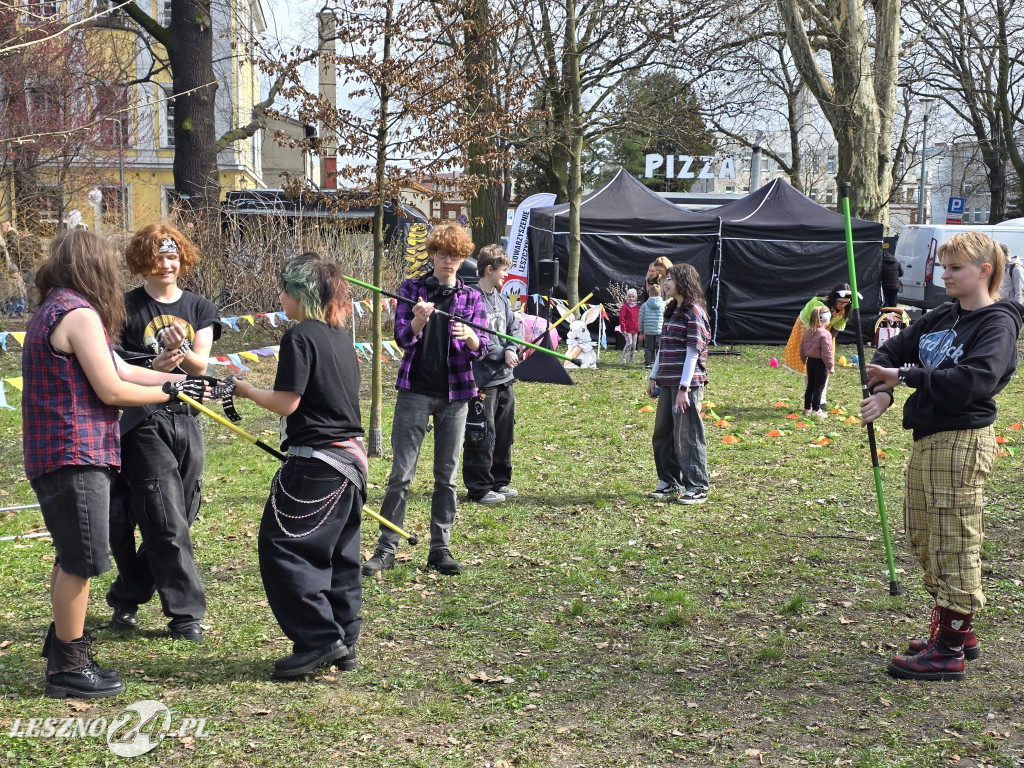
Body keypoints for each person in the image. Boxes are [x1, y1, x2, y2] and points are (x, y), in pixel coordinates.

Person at [22, 229, 207, 698]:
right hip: (74, 451)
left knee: (71, 557)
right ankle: (69, 665)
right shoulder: (79, 314)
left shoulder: (57, 307)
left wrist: (184, 382)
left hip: (61, 452)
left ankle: (63, 645)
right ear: (92, 267)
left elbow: (124, 369)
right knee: (81, 561)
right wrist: (171, 389)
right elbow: (111, 389)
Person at [860, 232, 1021, 682]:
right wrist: (886, 391)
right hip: (928, 439)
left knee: (953, 539)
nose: (943, 275)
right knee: (923, 534)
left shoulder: (997, 324)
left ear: (984, 271)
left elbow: (975, 380)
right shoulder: (940, 316)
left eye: (954, 268)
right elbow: (890, 351)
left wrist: (906, 376)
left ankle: (948, 649)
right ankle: (957, 630)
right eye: (943, 267)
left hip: (962, 440)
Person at [231, 253, 367, 679]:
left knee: (285, 549)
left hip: (318, 466)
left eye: (284, 289)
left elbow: (287, 402)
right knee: (338, 555)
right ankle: (342, 639)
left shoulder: (300, 337)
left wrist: (247, 389)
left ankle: (318, 640)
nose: (280, 297)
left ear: (301, 293)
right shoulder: (340, 337)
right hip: (351, 462)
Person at [105, 224, 221, 643]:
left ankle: (128, 592)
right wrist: (155, 368)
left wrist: (183, 353)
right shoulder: (123, 307)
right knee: (164, 513)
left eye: (172, 257)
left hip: (187, 417)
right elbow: (113, 367)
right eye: (157, 257)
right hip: (142, 420)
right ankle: (185, 613)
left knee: (182, 511)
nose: (166, 265)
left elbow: (202, 368)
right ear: (143, 263)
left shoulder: (199, 307)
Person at [362, 223, 488, 577]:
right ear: (432, 254)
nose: (449, 261)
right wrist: (417, 322)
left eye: (457, 255)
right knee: (401, 475)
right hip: (414, 391)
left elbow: (485, 350)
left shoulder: (472, 297)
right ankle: (386, 549)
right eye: (443, 254)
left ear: (464, 258)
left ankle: (440, 548)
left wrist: (472, 339)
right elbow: (402, 339)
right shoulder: (411, 290)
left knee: (446, 477)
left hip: (457, 395)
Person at [646, 263, 712, 505]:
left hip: (687, 386)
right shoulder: (672, 309)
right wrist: (654, 377)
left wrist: (684, 390)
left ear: (684, 281)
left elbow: (693, 354)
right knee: (662, 433)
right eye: (665, 278)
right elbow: (664, 349)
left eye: (670, 278)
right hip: (667, 382)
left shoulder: (694, 311)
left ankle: (697, 486)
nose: (665, 282)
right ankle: (669, 481)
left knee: (687, 435)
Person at [463, 244, 522, 505]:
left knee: (503, 432)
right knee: (482, 433)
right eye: (503, 270)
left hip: (504, 379)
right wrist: (502, 353)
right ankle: (479, 486)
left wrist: (511, 347)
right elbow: (477, 338)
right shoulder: (470, 298)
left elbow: (514, 328)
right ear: (489, 269)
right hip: (482, 380)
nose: (506, 275)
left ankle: (500, 480)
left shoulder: (500, 299)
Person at [799, 305, 835, 417]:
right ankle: (816, 409)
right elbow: (827, 353)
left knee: (810, 385)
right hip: (820, 363)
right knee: (819, 387)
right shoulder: (825, 334)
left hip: (810, 362)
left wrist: (803, 359)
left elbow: (802, 347)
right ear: (825, 319)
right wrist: (831, 366)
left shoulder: (807, 332)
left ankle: (806, 408)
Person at [638, 278, 665, 370]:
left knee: (649, 348)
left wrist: (641, 331)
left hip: (648, 331)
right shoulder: (663, 305)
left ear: (649, 294)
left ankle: (648, 364)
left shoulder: (644, 306)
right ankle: (658, 364)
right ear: (660, 294)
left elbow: (640, 319)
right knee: (659, 348)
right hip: (659, 330)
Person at [618, 288, 640, 364]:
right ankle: (623, 358)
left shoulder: (638, 307)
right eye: (629, 296)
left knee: (634, 345)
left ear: (635, 297)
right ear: (627, 297)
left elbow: (639, 318)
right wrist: (623, 328)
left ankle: (631, 358)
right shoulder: (625, 307)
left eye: (633, 296)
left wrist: (640, 328)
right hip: (627, 329)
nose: (631, 298)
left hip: (635, 329)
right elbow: (622, 318)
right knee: (629, 343)